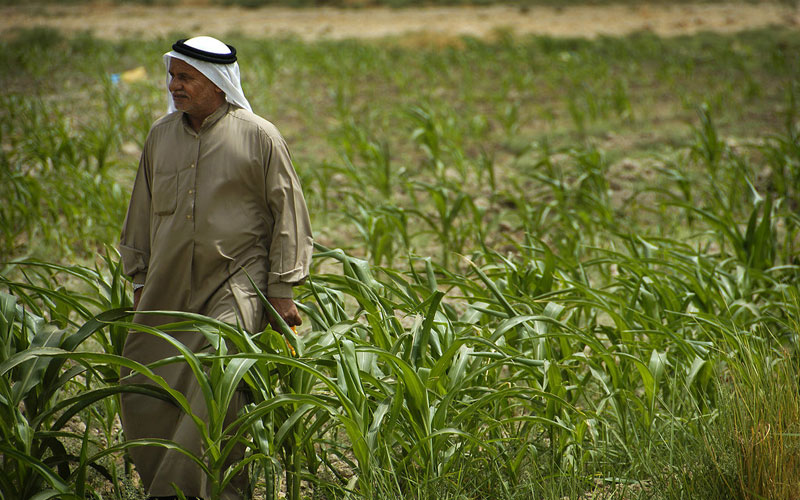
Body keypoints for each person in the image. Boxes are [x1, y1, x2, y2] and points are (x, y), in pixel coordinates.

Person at [118, 36, 313, 500]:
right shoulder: (160, 136)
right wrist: (140, 278)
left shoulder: (259, 136)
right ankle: (174, 487)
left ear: (218, 82)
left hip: (236, 281)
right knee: (144, 386)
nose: (174, 86)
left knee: (218, 377)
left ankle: (200, 493)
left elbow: (289, 214)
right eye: (172, 76)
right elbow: (141, 209)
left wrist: (282, 289)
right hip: (167, 283)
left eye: (186, 77)